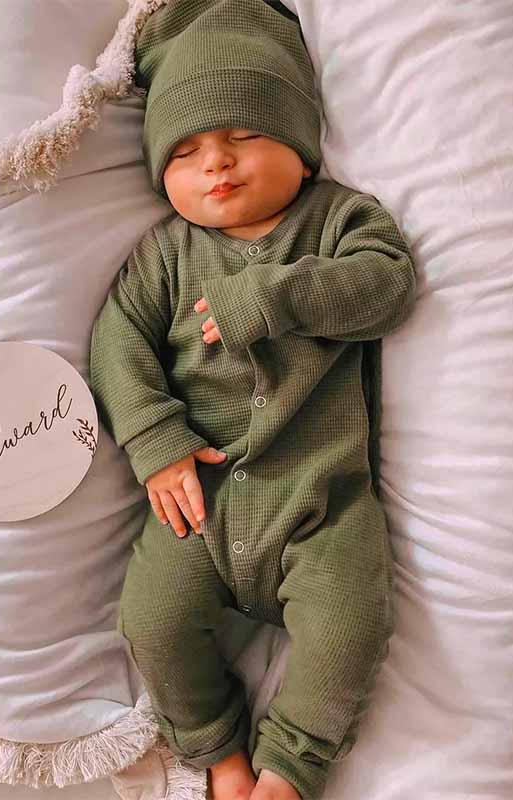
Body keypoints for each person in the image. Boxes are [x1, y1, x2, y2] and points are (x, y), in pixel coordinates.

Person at [89, 1, 417, 798]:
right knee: (153, 624)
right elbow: (116, 344)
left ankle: (291, 765)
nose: (217, 164)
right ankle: (218, 752)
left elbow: (388, 286)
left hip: (321, 504)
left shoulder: (336, 219)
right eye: (187, 151)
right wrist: (156, 441)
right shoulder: (166, 255)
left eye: (244, 135)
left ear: (300, 147)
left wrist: (280, 295)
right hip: (196, 505)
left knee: (352, 625)